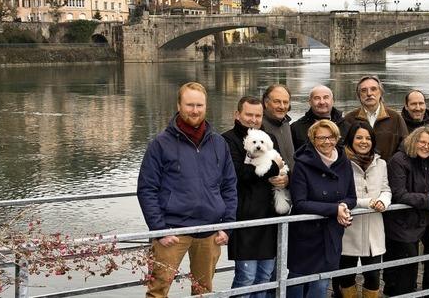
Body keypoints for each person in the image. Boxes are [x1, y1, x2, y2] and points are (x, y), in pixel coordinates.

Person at [137, 82, 238, 298]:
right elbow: (147, 189)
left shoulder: (219, 143)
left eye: (199, 105)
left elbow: (230, 186)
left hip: (210, 232)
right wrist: (159, 228)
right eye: (189, 104)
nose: (195, 110)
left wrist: (227, 226)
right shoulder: (160, 144)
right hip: (173, 232)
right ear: (179, 105)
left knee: (204, 291)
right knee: (158, 291)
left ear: (206, 106)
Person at [222, 96, 284, 298]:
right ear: (237, 114)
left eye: (258, 115)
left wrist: (286, 180)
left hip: (269, 215)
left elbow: (282, 167)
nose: (253, 119)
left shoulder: (268, 138)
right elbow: (241, 174)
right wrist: (274, 167)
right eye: (249, 114)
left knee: (266, 276)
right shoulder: (227, 140)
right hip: (244, 217)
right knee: (246, 277)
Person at [287, 119, 356, 298]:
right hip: (305, 235)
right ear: (312, 139)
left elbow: (352, 197)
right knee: (297, 281)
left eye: (331, 137)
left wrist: (343, 206)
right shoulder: (302, 164)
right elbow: (300, 203)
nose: (327, 142)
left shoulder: (344, 162)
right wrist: (335, 209)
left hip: (331, 233)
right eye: (321, 138)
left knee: (321, 283)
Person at [382, 126, 429, 296]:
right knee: (407, 262)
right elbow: (399, 194)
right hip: (401, 220)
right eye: (422, 142)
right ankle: (402, 292)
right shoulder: (398, 160)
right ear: (413, 141)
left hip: (423, 218)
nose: (426, 146)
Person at [333, 122, 391, 298]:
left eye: (368, 138)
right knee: (346, 276)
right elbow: (338, 195)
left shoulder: (380, 163)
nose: (363, 141)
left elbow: (386, 189)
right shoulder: (340, 163)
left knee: (373, 276)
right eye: (359, 137)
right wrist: (367, 202)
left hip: (373, 228)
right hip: (348, 229)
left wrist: (383, 201)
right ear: (351, 139)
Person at [344, 75, 408, 161]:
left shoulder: (395, 118)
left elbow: (405, 146)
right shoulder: (350, 118)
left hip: (389, 171)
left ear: (381, 93)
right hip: (356, 170)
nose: (369, 94)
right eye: (364, 90)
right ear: (359, 95)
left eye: (373, 89)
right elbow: (344, 148)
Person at [290, 85, 348, 150]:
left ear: (333, 101)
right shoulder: (296, 128)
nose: (322, 102)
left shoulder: (346, 126)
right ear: (310, 102)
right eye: (317, 98)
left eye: (326, 97)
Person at [261, 84, 295, 177]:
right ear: (266, 103)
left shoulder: (286, 123)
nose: (282, 106)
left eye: (286, 102)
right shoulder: (259, 127)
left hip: (291, 184)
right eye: (277, 102)